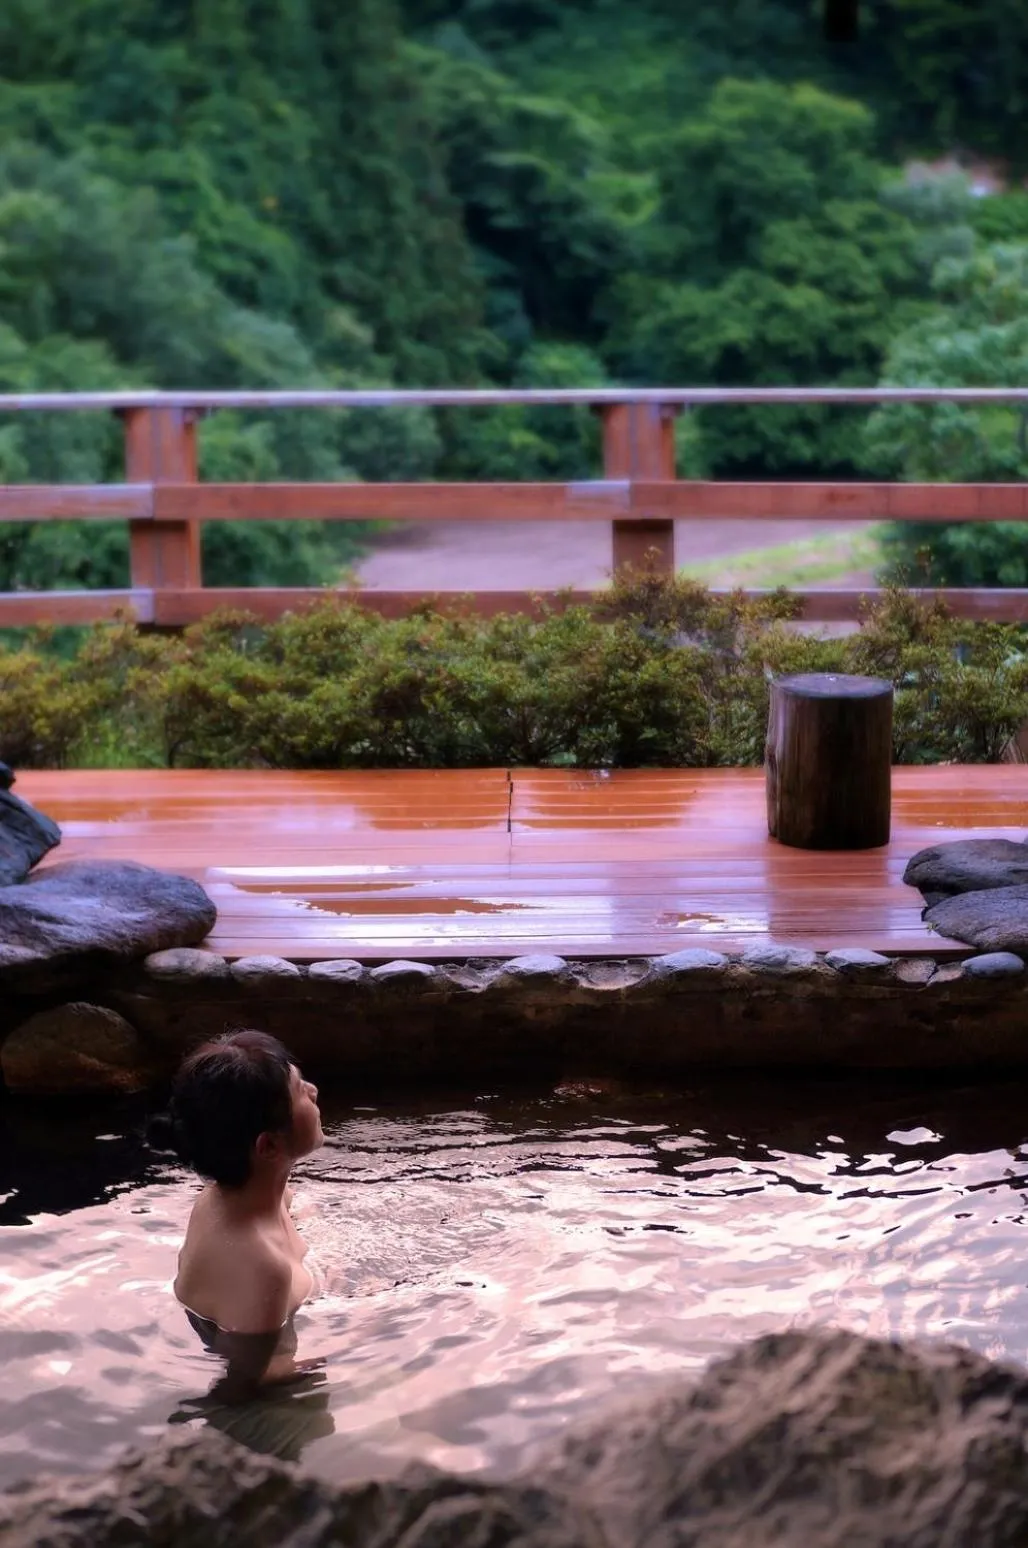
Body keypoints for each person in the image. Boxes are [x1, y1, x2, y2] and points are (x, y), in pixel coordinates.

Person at [151, 1029, 324, 1390]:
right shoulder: (264, 1267)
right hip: (263, 1410)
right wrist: (372, 1334)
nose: (314, 1091)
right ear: (268, 1146)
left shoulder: (227, 1195)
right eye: (299, 1090)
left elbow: (291, 1203)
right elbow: (254, 1379)